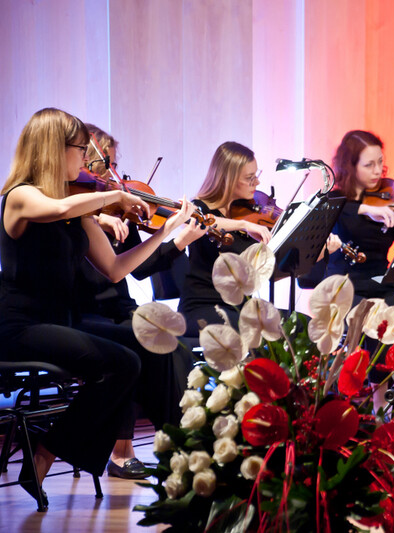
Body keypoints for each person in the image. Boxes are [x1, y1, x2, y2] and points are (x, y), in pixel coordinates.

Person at [0, 107, 192, 503]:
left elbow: (116, 269)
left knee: (146, 348)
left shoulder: (78, 205)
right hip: (20, 325)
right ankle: (43, 457)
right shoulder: (19, 196)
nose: (86, 160)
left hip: (63, 322)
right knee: (121, 363)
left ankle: (184, 455)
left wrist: (164, 235)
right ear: (54, 149)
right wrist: (113, 195)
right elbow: (54, 209)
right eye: (79, 149)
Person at [73, 125, 206, 478]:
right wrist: (97, 216)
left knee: (175, 346)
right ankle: (124, 450)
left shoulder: (119, 205)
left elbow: (141, 266)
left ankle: (184, 440)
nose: (116, 176)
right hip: (86, 307)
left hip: (118, 305)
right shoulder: (73, 209)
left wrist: (176, 238)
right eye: (109, 164)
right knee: (144, 344)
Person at [178, 142, 274, 336]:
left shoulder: (246, 211)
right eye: (249, 178)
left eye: (256, 175)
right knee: (258, 330)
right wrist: (244, 225)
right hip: (203, 307)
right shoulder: (199, 209)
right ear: (228, 179)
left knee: (298, 325)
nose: (257, 183)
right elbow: (203, 221)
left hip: (239, 309)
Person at [327, 130, 394, 303]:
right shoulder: (334, 201)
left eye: (380, 162)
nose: (377, 171)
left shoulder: (389, 196)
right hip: (344, 287)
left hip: (382, 286)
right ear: (350, 167)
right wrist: (366, 209)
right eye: (369, 165)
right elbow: (338, 207)